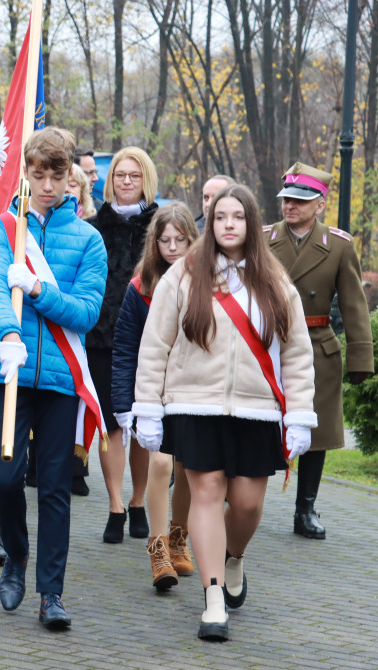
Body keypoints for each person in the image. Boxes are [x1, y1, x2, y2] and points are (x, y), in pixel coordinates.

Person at [133, 183, 316, 642]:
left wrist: (299, 415)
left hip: (257, 411)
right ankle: (213, 599)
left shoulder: (275, 282)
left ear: (251, 224)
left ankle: (234, 556)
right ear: (209, 223)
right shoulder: (183, 275)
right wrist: (149, 408)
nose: (228, 224)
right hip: (194, 405)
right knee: (207, 494)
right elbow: (155, 345)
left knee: (249, 503)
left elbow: (297, 354)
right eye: (220, 217)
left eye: (237, 217)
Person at [0, 127, 107, 630]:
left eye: (57, 174)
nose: (48, 184)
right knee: (6, 478)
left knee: (53, 486)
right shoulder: (2, 230)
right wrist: (7, 331)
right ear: (26, 174)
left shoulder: (89, 240)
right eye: (38, 174)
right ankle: (15, 554)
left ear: (70, 175)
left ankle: (51, 592)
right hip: (8, 369)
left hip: (60, 379)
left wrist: (37, 289)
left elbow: (86, 313)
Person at [265, 162, 374, 539]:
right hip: (268, 343)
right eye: (286, 199)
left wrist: (361, 356)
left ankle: (305, 508)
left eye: (300, 199)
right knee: (256, 419)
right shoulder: (263, 240)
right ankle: (237, 494)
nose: (290, 206)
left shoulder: (339, 245)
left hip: (316, 345)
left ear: (320, 204)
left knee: (314, 432)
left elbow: (354, 304)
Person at [111, 202, 199, 590]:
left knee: (189, 470)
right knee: (161, 465)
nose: (173, 247)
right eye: (165, 240)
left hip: (195, 390)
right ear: (154, 242)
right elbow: (125, 347)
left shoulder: (206, 283)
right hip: (153, 390)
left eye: (181, 239)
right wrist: (122, 402)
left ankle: (180, 537)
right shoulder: (140, 286)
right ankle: (158, 548)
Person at [87, 146, 160, 543]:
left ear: (146, 180)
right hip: (101, 338)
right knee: (111, 424)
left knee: (144, 423)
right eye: (119, 175)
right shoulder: (93, 226)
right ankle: (115, 505)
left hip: (150, 341)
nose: (126, 182)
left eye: (134, 175)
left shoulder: (162, 225)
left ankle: (137, 502)